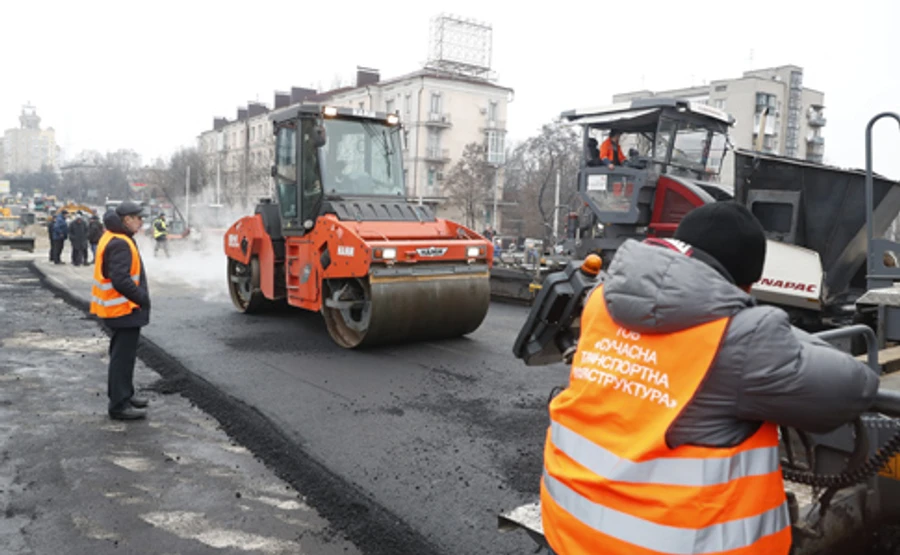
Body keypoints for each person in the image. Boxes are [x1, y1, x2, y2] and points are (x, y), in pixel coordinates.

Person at [541, 201, 879, 555]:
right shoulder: (739, 338)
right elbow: (852, 387)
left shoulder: (601, 302)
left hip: (570, 527)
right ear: (745, 282)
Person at [90, 201, 151, 421]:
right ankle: (119, 405)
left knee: (122, 356)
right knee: (122, 358)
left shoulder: (113, 237)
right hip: (124, 309)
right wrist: (142, 298)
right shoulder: (120, 243)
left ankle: (125, 394)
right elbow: (121, 280)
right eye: (138, 218)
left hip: (119, 309)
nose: (141, 221)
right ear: (127, 220)